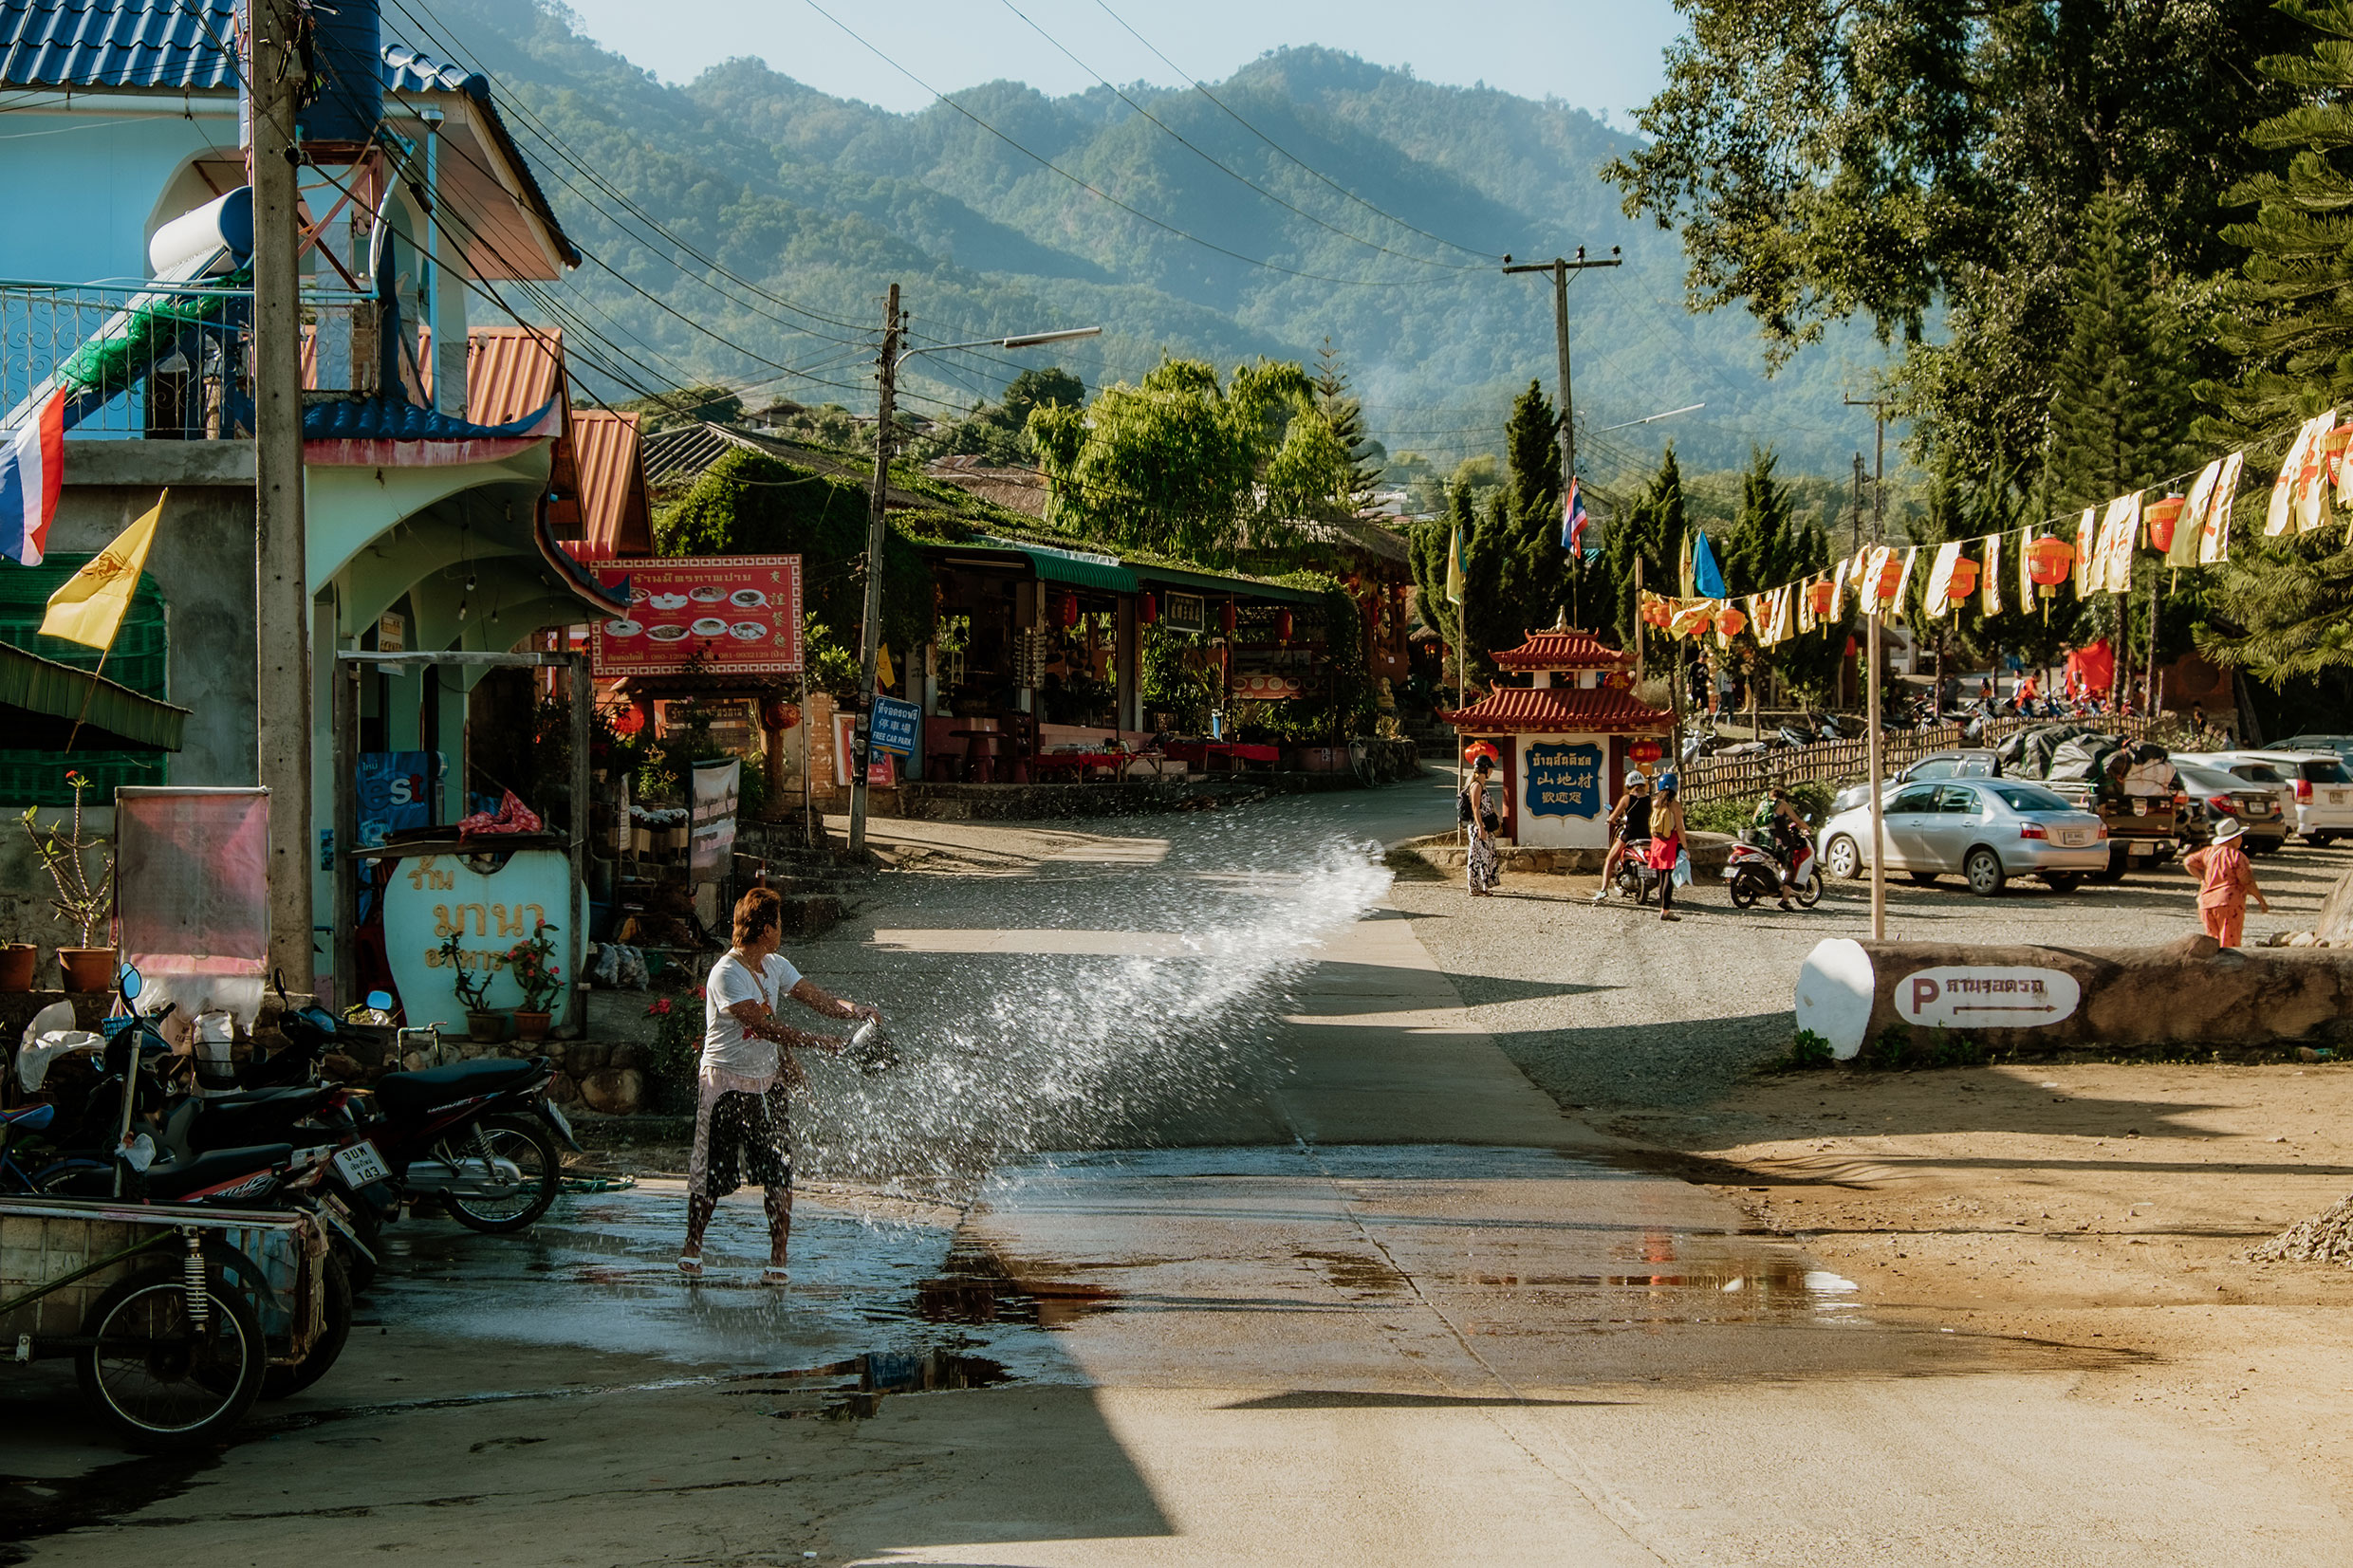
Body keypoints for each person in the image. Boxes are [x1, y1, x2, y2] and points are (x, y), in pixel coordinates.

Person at [679, 887, 877, 1283]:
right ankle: (692, 1247)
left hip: (767, 1084)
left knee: (778, 1170)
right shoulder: (727, 973)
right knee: (710, 1176)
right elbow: (761, 1025)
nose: (781, 930)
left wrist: (856, 1011)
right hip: (725, 1084)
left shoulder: (774, 965)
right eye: (779, 923)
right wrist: (823, 1043)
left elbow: (816, 998)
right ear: (766, 928)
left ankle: (778, 1257)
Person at [2182, 818, 2269, 949]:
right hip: (2228, 903)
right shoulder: (2237, 856)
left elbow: (2188, 862)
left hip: (2206, 902)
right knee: (2230, 943)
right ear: (2232, 838)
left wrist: (2202, 879)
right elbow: (2247, 881)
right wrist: (2260, 900)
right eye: (2239, 836)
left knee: (2213, 944)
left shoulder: (2209, 852)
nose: (2241, 839)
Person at [1592, 768, 1653, 904]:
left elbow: (1614, 816)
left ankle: (1603, 890)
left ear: (1629, 784)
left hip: (1629, 835)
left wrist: (1611, 820)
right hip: (1646, 835)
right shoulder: (1650, 799)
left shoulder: (1627, 799)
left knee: (1610, 860)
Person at [1461, 754, 1502, 896]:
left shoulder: (1481, 786)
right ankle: (1475, 886)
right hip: (1479, 826)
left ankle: (1484, 885)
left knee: (1486, 856)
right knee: (1477, 856)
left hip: (1484, 826)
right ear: (1484, 769)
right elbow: (1475, 808)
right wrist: (1480, 827)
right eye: (1489, 768)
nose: (1491, 771)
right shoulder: (1476, 786)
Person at [1648, 780, 1687, 922]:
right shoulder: (1674, 805)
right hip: (1670, 842)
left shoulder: (1655, 803)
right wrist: (1685, 846)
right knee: (1668, 876)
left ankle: (1663, 906)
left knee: (1661, 874)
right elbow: (1680, 828)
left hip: (1657, 842)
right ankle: (1665, 910)